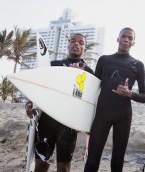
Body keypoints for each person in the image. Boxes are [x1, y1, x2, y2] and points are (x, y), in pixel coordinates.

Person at [25, 33, 94, 172]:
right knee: (41, 165)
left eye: (81, 43)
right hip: (46, 121)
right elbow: (39, 87)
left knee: (63, 168)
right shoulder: (53, 65)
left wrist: (83, 123)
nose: (76, 44)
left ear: (85, 49)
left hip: (68, 126)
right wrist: (29, 104)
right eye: (73, 41)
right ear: (68, 44)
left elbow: (89, 102)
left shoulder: (88, 72)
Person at [84, 27, 145, 172]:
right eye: (123, 36)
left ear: (133, 43)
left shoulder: (138, 65)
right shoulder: (104, 60)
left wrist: (130, 94)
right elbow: (92, 87)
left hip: (123, 116)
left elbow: (144, 96)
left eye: (130, 38)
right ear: (118, 39)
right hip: (102, 114)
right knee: (93, 158)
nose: (126, 39)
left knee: (118, 160)